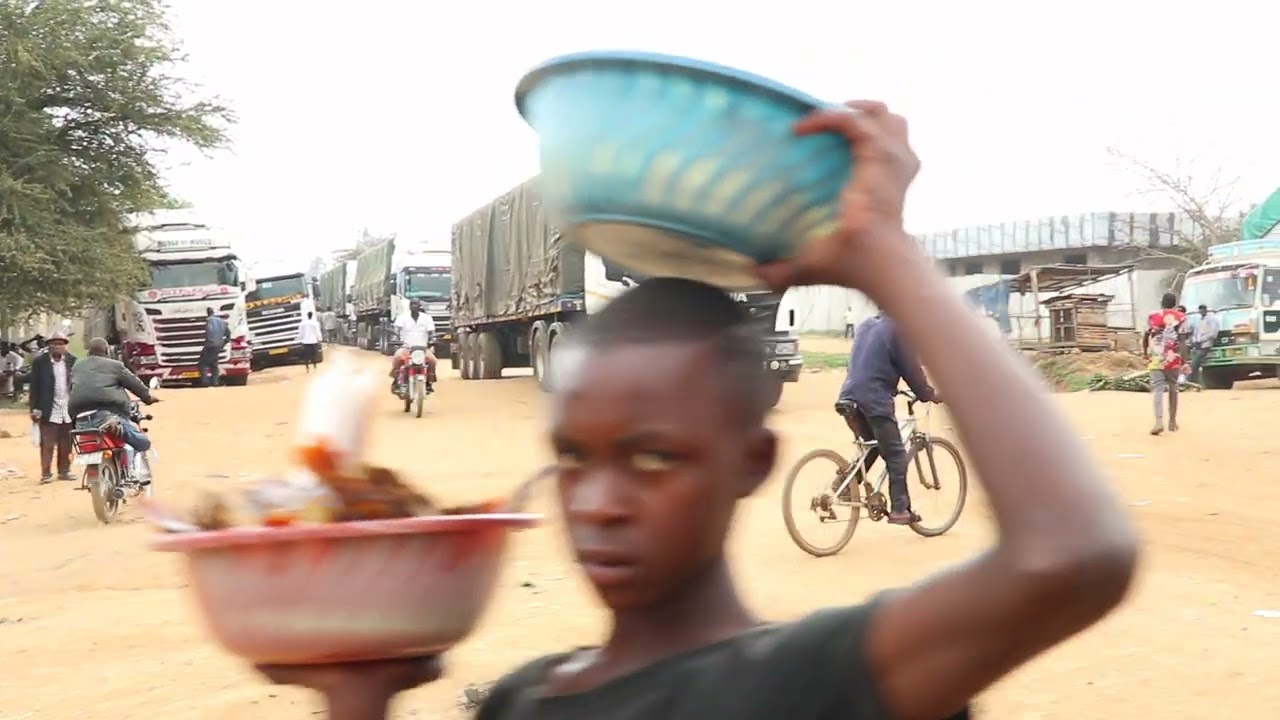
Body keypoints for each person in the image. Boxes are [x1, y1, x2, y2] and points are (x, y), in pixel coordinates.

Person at [253, 100, 1138, 720]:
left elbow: (1072, 555)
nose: (596, 500)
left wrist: (886, 256)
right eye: (572, 457)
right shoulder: (528, 700)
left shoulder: (807, 685)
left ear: (751, 462)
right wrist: (359, 690)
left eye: (651, 459)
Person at [836, 312, 938, 523]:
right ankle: (900, 510)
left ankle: (845, 485)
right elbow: (911, 370)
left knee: (872, 445)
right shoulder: (898, 330)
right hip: (874, 401)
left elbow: (862, 363)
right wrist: (928, 394)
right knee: (896, 456)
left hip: (848, 397)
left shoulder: (866, 325)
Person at [69, 337, 159, 481]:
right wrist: (148, 398)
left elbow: (72, 388)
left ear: (89, 352)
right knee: (141, 442)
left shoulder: (77, 367)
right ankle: (132, 474)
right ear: (106, 351)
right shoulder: (115, 366)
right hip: (107, 414)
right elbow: (134, 383)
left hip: (80, 418)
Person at [27, 331, 76, 483]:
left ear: (65, 346)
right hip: (48, 408)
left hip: (67, 408)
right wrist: (34, 408)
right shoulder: (40, 363)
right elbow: (34, 387)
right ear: (48, 346)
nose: (57, 347)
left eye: (60, 344)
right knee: (47, 443)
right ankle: (46, 473)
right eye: (54, 344)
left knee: (66, 443)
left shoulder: (72, 361)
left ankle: (64, 471)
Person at [1143, 292, 1184, 435]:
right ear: (1174, 303)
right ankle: (1172, 421)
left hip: (1156, 357)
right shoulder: (1181, 317)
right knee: (1174, 387)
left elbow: (1146, 334)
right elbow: (1183, 339)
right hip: (1173, 357)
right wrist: (1184, 359)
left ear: (1162, 302)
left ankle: (1158, 421)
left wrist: (1145, 353)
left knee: (1158, 390)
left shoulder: (1153, 316)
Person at [390, 300, 437, 392]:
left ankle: (428, 383)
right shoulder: (402, 318)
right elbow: (396, 330)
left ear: (420, 306)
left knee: (432, 361)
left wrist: (433, 339)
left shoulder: (427, 318)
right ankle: (396, 380)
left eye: (416, 304)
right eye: (412, 304)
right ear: (409, 306)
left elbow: (431, 332)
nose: (414, 306)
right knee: (397, 358)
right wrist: (395, 338)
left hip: (422, 348)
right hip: (406, 348)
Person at [1188, 304, 1218, 384]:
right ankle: (1196, 382)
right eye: (1200, 310)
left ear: (1206, 310)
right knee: (1195, 364)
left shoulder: (1212, 320)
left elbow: (1213, 333)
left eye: (1203, 309)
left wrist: (1201, 340)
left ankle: (1190, 380)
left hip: (1206, 345)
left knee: (1195, 363)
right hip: (1197, 345)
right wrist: (1195, 341)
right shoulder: (1198, 320)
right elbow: (1195, 333)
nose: (1201, 311)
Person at [199, 307, 230, 387]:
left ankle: (206, 381)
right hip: (218, 345)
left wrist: (208, 342)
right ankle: (214, 381)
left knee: (202, 363)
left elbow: (209, 332)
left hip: (210, 345)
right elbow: (228, 333)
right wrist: (224, 343)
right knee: (214, 363)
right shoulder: (221, 321)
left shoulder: (209, 321)